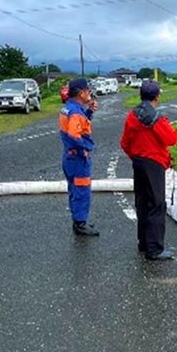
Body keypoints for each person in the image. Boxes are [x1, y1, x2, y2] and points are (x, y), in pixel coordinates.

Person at [120, 80, 177, 260]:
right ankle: (155, 249)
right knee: (157, 204)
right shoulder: (157, 119)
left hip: (138, 162)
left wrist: (136, 157)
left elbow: (125, 143)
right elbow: (172, 139)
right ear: (157, 96)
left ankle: (144, 243)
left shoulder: (132, 116)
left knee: (142, 202)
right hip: (154, 164)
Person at [59, 77, 100, 236]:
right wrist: (88, 147)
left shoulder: (69, 108)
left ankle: (78, 220)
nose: (90, 93)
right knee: (82, 191)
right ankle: (80, 224)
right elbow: (74, 135)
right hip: (78, 158)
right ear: (81, 93)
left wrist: (89, 112)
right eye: (88, 90)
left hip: (69, 157)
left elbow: (78, 126)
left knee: (74, 190)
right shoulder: (75, 112)